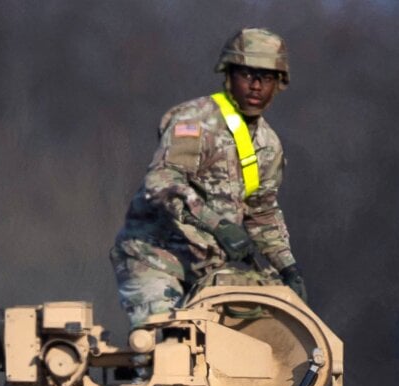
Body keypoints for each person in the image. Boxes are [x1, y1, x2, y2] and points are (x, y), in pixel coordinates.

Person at [111, 28, 305, 327]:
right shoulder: (196, 122)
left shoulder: (268, 146)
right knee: (169, 344)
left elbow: (262, 212)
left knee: (243, 341)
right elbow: (161, 183)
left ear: (278, 84)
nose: (255, 86)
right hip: (154, 259)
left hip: (208, 271)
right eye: (247, 75)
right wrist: (217, 224)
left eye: (266, 78)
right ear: (228, 75)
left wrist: (287, 268)